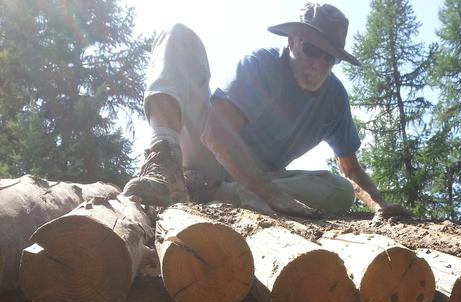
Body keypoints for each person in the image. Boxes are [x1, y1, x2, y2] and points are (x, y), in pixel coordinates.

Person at [123, 2, 407, 219]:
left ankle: (213, 193)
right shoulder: (260, 66)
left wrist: (379, 206)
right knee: (178, 35)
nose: (319, 64)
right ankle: (164, 162)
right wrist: (267, 191)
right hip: (204, 157)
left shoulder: (334, 98)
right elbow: (215, 132)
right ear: (292, 40)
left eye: (329, 57)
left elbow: (351, 169)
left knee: (340, 191)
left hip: (254, 181)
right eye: (311, 49)